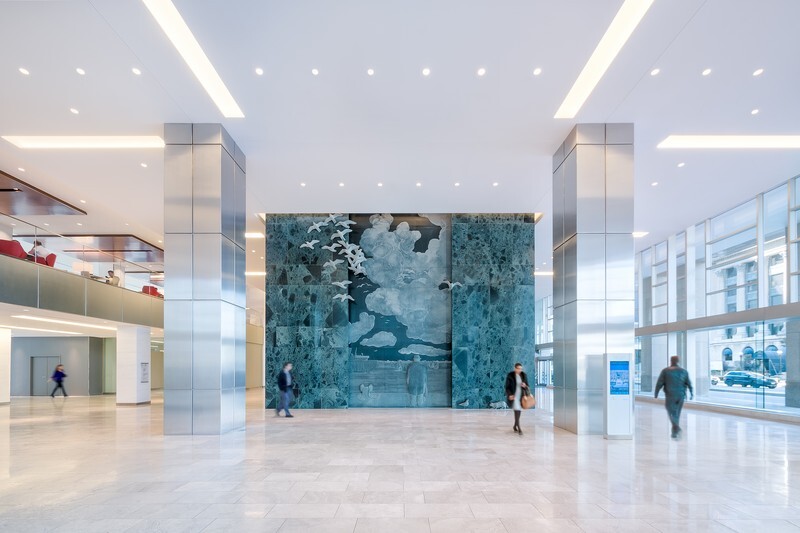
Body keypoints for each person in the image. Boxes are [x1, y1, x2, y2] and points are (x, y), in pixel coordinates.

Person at [655, 355, 694, 439]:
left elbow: (659, 383)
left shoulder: (665, 371)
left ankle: (676, 428)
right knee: (677, 413)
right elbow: (689, 383)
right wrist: (691, 393)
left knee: (671, 412)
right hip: (681, 396)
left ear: (671, 361)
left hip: (670, 395)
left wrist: (656, 393)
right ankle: (674, 432)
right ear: (678, 361)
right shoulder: (684, 371)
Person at [505, 363, 530, 435]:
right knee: (517, 410)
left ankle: (515, 425)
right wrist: (509, 395)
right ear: (515, 368)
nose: (519, 370)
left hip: (521, 396)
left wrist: (525, 385)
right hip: (514, 396)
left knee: (518, 411)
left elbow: (527, 385)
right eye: (518, 368)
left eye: (521, 368)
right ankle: (519, 428)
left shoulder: (524, 375)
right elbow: (507, 387)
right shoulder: (510, 375)